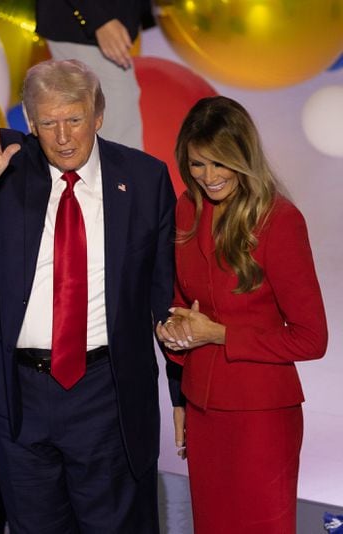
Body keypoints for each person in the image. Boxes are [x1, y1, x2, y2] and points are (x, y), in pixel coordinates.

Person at [0, 58, 177, 533]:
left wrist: (181, 393)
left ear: (98, 115)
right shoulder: (7, 165)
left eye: (74, 119)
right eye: (48, 123)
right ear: (31, 123)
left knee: (115, 524)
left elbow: (163, 293)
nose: (63, 136)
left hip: (104, 390)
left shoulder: (145, 179)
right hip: (16, 393)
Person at [156, 95, 328, 533]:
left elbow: (312, 338)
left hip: (262, 416)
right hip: (204, 408)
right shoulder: (186, 209)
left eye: (220, 164)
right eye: (198, 164)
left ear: (243, 158)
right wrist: (175, 333)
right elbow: (183, 299)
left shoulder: (279, 220)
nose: (209, 177)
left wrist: (219, 334)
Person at [35, 0, 154, 149]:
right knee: (116, 130)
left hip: (95, 23)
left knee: (109, 125)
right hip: (86, 27)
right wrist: (99, 19)